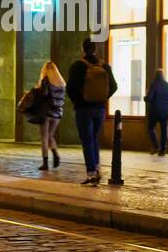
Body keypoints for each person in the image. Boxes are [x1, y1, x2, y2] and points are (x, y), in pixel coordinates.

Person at [66, 38, 118, 185]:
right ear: (95, 49)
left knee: (87, 141)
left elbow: (70, 88)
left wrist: (79, 101)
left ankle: (91, 174)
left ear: (83, 49)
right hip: (100, 109)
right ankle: (97, 169)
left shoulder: (78, 66)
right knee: (94, 139)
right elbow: (114, 86)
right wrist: (102, 98)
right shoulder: (105, 66)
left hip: (84, 109)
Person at [28, 61, 66, 172]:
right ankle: (55, 153)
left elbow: (43, 94)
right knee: (50, 136)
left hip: (46, 113)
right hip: (57, 114)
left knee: (44, 138)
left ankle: (45, 163)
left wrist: (35, 90)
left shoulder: (45, 81)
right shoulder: (62, 83)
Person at [145, 69, 168, 156]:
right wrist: (166, 100)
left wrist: (146, 98)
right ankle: (162, 150)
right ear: (163, 75)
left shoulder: (153, 85)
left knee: (151, 128)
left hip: (154, 112)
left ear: (155, 76)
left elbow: (150, 98)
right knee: (164, 131)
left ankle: (156, 146)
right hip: (165, 112)